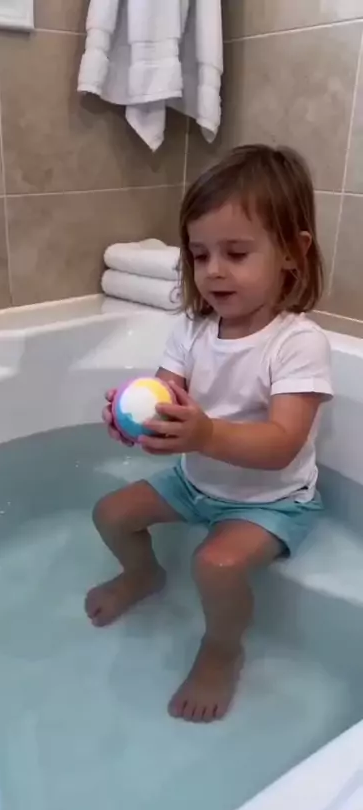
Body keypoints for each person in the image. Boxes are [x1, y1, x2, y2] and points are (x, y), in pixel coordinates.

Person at [86, 144, 333, 724]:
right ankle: (143, 573)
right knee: (110, 513)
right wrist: (137, 418)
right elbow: (166, 395)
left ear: (293, 252)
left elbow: (282, 445)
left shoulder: (297, 342)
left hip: (273, 501)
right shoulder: (193, 330)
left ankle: (223, 649)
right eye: (200, 255)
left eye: (236, 253)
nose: (214, 270)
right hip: (194, 483)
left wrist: (203, 434)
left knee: (216, 565)